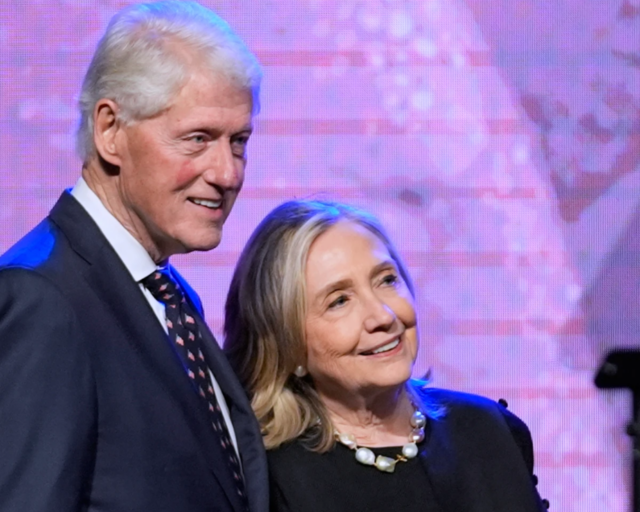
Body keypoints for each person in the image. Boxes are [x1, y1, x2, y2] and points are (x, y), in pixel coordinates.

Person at [0, 2, 267, 511]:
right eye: (197, 139)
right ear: (110, 131)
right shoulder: (37, 303)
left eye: (238, 142)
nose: (227, 173)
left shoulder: (171, 298)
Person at [224, 199, 548, 512]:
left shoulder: (488, 429)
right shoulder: (265, 480)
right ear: (286, 343)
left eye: (387, 280)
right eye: (339, 301)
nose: (382, 316)